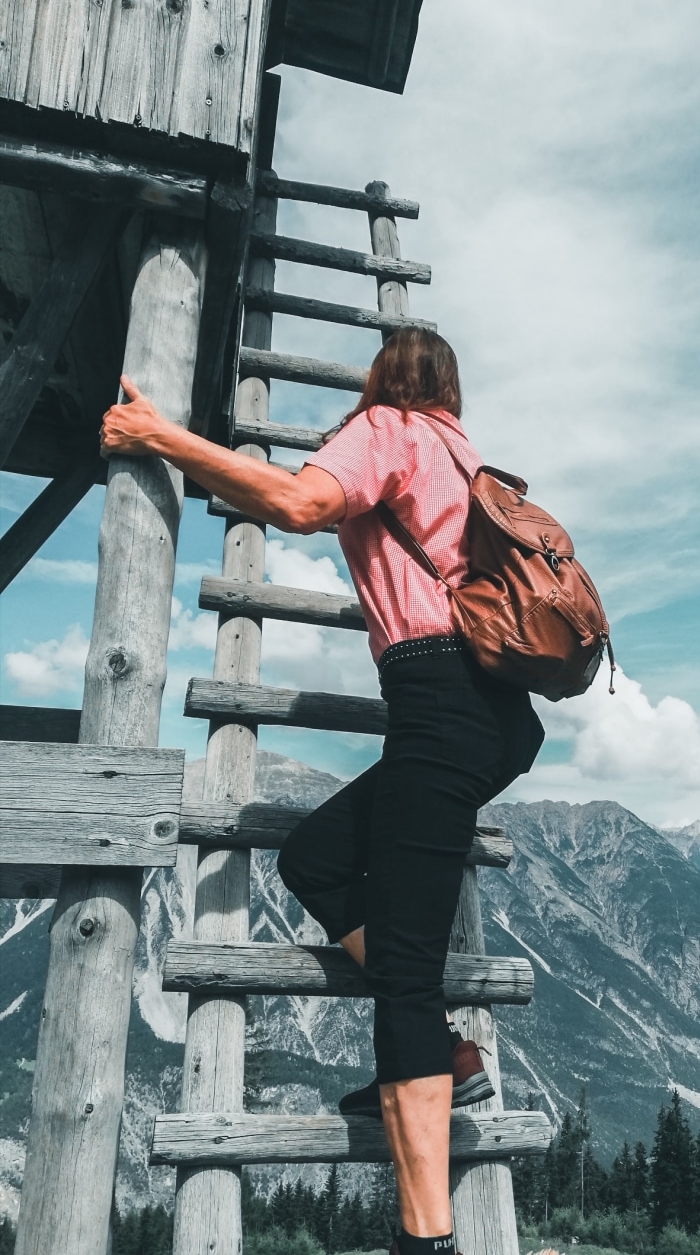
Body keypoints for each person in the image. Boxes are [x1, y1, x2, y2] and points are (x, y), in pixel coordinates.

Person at [99, 329, 545, 1255]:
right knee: (316, 857)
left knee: (408, 989)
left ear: (384, 384)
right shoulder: (463, 454)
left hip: (439, 703)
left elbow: (302, 503)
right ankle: (444, 1058)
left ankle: (426, 1238)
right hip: (498, 717)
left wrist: (161, 438)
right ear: (451, 388)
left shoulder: (387, 430)